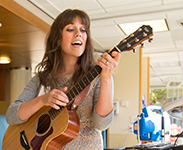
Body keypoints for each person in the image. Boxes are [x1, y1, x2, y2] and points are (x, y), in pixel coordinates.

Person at [5, 9, 121, 149]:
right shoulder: (42, 79)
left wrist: (107, 79)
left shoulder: (99, 75)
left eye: (83, 30)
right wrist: (43, 100)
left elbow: (102, 124)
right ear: (58, 38)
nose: (79, 34)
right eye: (71, 29)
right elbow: (11, 116)